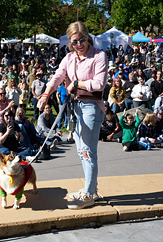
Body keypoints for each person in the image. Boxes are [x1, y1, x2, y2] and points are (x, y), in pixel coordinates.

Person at [37, 21, 108, 209]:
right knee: (80, 150)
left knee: (88, 151)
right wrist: (46, 94)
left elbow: (99, 84)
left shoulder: (99, 56)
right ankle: (91, 188)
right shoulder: (69, 58)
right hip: (75, 107)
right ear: (70, 43)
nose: (79, 45)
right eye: (74, 42)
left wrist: (76, 83)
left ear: (88, 38)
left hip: (91, 106)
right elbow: (57, 76)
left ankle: (88, 194)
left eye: (82, 40)